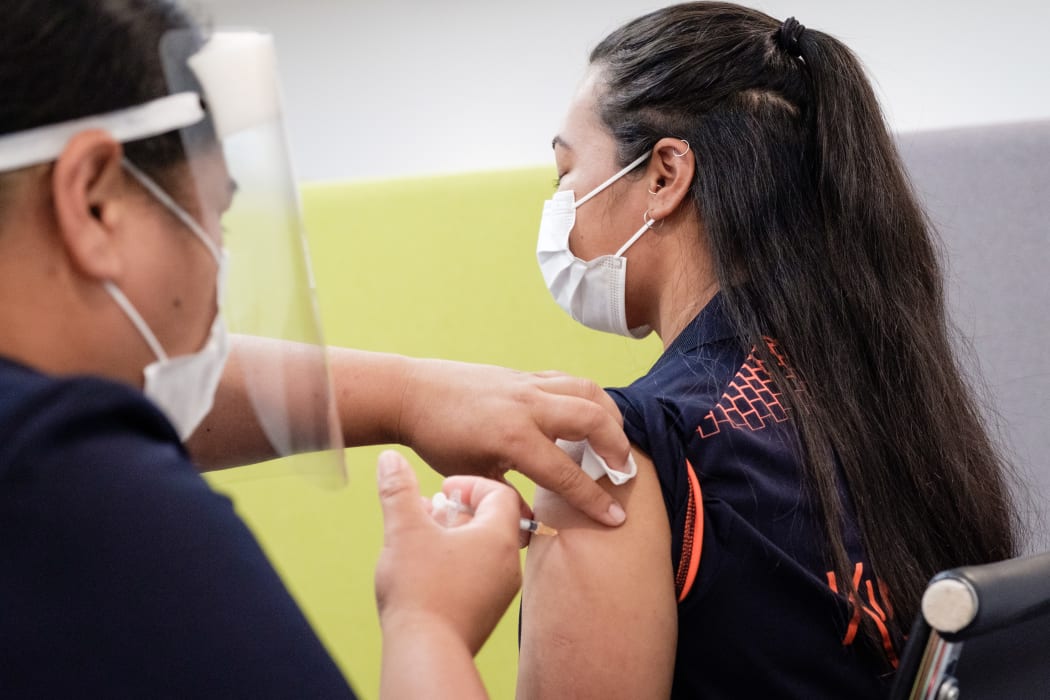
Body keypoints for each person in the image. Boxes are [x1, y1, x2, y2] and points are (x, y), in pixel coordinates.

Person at [0, 1, 630, 697]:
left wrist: (408, 396)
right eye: (212, 221)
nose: (215, 278)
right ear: (92, 202)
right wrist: (429, 626)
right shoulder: (73, 492)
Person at [518, 3, 1022, 698]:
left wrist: (432, 620)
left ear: (665, 175)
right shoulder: (895, 412)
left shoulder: (616, 455)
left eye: (565, 174)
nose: (561, 203)